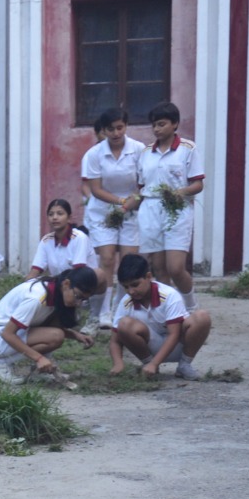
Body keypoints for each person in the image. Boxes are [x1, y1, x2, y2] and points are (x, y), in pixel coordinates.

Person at [136, 101, 205, 309]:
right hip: (150, 209)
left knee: (175, 267)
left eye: (162, 124)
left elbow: (198, 184)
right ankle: (168, 311)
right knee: (158, 268)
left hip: (178, 210)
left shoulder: (187, 149)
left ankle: (191, 307)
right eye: (154, 125)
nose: (157, 129)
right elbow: (141, 187)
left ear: (175, 124)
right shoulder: (146, 153)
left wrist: (178, 193)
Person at [81, 106, 145, 327]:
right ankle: (104, 311)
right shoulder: (93, 154)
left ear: (126, 126)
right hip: (103, 211)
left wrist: (130, 203)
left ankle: (121, 308)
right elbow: (96, 189)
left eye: (120, 128)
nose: (116, 133)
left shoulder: (138, 150)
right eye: (111, 129)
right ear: (104, 131)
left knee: (127, 262)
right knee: (107, 258)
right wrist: (120, 203)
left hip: (132, 209)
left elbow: (145, 184)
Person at [0, 267, 100, 385]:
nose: (78, 303)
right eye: (77, 296)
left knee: (56, 334)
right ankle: (1, 363)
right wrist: (39, 358)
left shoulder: (55, 289)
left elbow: (49, 326)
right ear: (66, 283)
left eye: (83, 300)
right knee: (56, 336)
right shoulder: (36, 298)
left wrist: (76, 335)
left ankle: (39, 372)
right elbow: (7, 334)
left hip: (10, 332)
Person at [108, 253, 213, 381]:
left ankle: (184, 365)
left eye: (135, 285)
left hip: (178, 345)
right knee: (124, 324)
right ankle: (148, 365)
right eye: (126, 287)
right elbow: (114, 340)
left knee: (202, 317)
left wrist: (155, 363)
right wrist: (118, 364)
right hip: (150, 348)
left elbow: (173, 334)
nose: (131, 291)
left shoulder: (169, 295)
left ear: (148, 277)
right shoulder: (126, 302)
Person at [28, 199, 99, 334]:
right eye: (51, 214)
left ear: (69, 217)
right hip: (61, 284)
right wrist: (25, 288)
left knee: (99, 274)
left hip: (80, 285)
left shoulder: (79, 238)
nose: (55, 217)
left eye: (60, 213)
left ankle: (94, 315)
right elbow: (35, 270)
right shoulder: (46, 240)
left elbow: (79, 271)